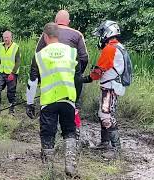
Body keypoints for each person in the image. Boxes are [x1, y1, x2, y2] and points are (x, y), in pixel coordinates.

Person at [26, 23, 78, 177]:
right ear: (58, 35)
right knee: (69, 131)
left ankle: (49, 169)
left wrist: (29, 103)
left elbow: (32, 81)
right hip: (68, 98)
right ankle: (70, 166)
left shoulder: (40, 55)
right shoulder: (71, 52)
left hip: (48, 100)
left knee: (48, 134)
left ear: (45, 36)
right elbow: (77, 76)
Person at [32, 10, 88, 139]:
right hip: (70, 80)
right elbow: (84, 58)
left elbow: (37, 57)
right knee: (71, 107)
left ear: (55, 20)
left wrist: (41, 78)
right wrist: (76, 73)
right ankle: (73, 136)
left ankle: (50, 143)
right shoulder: (77, 34)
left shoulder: (47, 33)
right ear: (68, 22)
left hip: (50, 84)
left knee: (49, 116)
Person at [81, 20, 127, 156]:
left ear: (108, 32)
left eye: (102, 33)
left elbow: (98, 71)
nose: (101, 36)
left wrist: (84, 79)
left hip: (110, 87)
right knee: (103, 113)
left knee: (106, 115)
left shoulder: (110, 49)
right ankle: (105, 142)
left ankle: (116, 149)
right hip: (112, 86)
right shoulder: (119, 46)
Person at [0, 30, 21, 115]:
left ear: (11, 38)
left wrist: (13, 73)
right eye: (4, 37)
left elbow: (18, 61)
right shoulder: (0, 46)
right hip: (1, 72)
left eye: (7, 37)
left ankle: (11, 111)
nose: (5, 39)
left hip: (11, 73)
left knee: (11, 93)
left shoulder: (15, 47)